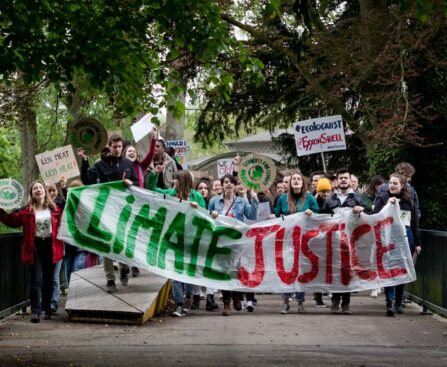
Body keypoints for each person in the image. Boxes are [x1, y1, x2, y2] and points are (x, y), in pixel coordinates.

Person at [81, 133, 138, 293]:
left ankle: (124, 267)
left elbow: (137, 183)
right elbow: (87, 180)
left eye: (120, 146)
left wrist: (130, 182)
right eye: (115, 147)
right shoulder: (100, 164)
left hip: (124, 210)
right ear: (109, 147)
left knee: (123, 243)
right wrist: (85, 161)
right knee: (106, 244)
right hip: (106, 210)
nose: (118, 149)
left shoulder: (128, 163)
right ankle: (110, 279)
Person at [0, 181, 64, 323]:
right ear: (31, 193)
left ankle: (47, 309)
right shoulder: (26, 212)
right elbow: (11, 221)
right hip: (34, 247)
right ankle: (35, 312)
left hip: (51, 247)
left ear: (45, 191)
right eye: (35, 188)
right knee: (36, 281)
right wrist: (1, 210)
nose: (38, 190)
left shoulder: (55, 209)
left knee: (48, 280)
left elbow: (69, 216)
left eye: (40, 188)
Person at [147, 167, 206, 317]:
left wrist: (197, 208)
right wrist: (155, 174)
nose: (174, 181)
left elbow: (205, 216)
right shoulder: (170, 194)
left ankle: (188, 299)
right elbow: (152, 189)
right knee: (174, 273)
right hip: (173, 240)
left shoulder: (197, 196)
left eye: (176, 179)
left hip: (191, 241)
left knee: (188, 272)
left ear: (183, 181)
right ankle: (179, 304)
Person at [373, 172, 422, 317]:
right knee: (390, 268)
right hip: (389, 237)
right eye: (390, 183)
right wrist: (388, 205)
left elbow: (415, 223)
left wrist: (418, 243)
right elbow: (375, 216)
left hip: (407, 237)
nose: (391, 185)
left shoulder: (410, 200)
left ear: (402, 186)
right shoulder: (383, 197)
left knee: (403, 269)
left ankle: (400, 301)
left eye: (395, 183)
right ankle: (390, 301)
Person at [209, 174, 259, 316]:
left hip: (238, 242)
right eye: (226, 182)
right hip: (222, 241)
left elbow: (252, 216)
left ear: (235, 185)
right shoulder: (214, 201)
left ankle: (237, 295)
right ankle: (227, 303)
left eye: (231, 182)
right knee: (224, 271)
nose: (229, 184)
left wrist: (253, 198)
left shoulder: (242, 201)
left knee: (237, 271)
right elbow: (208, 218)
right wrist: (211, 214)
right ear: (222, 185)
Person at [274, 171, 319, 314]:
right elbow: (277, 214)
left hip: (304, 240)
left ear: (302, 182)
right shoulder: (282, 198)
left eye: (299, 178)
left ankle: (300, 302)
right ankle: (286, 302)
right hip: (287, 239)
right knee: (287, 270)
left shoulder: (310, 198)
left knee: (301, 270)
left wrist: (312, 213)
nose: (296, 181)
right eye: (294, 179)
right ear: (290, 183)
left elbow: (318, 213)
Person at [323, 168, 365, 314]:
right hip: (333, 241)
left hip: (350, 241)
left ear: (350, 180)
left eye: (346, 178)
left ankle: (346, 303)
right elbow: (322, 217)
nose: (343, 180)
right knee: (335, 270)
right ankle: (335, 302)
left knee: (347, 272)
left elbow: (367, 218)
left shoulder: (358, 198)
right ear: (337, 180)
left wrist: (360, 211)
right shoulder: (330, 199)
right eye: (340, 178)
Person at [122, 127, 157, 277]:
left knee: (136, 235)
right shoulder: (120, 167)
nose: (131, 152)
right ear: (124, 154)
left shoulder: (140, 166)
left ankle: (136, 264)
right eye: (128, 150)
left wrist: (153, 139)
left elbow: (150, 156)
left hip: (139, 206)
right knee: (125, 235)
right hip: (124, 205)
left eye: (133, 151)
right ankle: (125, 264)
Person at [193, 178, 218, 311]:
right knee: (197, 267)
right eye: (200, 188)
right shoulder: (194, 203)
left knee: (209, 268)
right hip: (197, 239)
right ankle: (196, 297)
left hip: (210, 240)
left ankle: (210, 297)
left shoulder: (213, 203)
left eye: (205, 188)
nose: (203, 190)